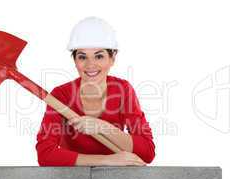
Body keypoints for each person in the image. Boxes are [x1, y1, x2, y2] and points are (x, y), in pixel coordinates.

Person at [36, 17, 155, 166]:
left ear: (112, 59)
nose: (90, 64)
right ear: (75, 60)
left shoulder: (123, 90)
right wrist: (106, 160)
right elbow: (45, 154)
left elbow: (147, 152)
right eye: (82, 57)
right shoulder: (61, 96)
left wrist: (102, 126)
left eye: (99, 56)